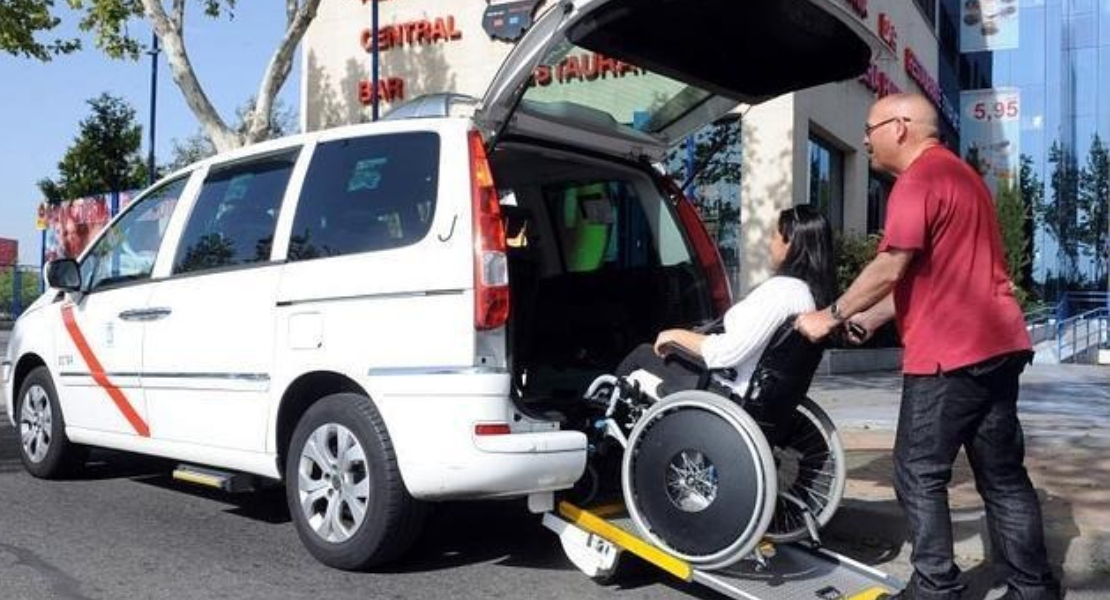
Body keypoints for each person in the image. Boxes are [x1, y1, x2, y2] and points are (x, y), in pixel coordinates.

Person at [794, 93, 1060, 600]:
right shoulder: (963, 179)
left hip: (949, 353)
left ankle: (936, 587)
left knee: (917, 471)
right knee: (1002, 476)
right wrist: (871, 318)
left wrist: (827, 315)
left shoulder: (918, 181)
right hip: (998, 345)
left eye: (870, 128)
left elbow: (891, 265)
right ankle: (1033, 588)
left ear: (900, 127)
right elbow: (933, 272)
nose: (865, 140)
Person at [616, 204, 835, 398]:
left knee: (642, 353)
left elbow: (727, 352)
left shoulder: (781, 292)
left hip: (727, 389)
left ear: (790, 243)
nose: (769, 244)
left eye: (774, 236)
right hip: (753, 389)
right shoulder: (807, 297)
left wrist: (675, 335)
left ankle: (599, 422)